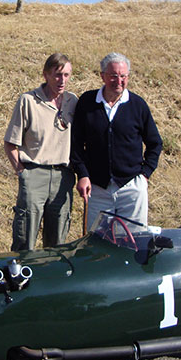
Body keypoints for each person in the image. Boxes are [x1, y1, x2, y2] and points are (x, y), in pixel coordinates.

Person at [71, 52, 162, 230]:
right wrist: (82, 174)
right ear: (102, 76)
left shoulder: (138, 105)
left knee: (134, 241)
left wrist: (145, 174)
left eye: (123, 76)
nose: (119, 81)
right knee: (97, 242)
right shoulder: (87, 102)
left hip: (131, 188)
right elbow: (76, 143)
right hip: (97, 189)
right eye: (113, 76)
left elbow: (155, 143)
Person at [4, 53, 78, 251]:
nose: (62, 80)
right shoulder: (28, 100)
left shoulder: (72, 101)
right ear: (46, 75)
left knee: (58, 240)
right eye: (57, 75)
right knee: (25, 238)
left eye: (66, 75)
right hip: (34, 174)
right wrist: (22, 173)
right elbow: (10, 143)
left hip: (63, 177)